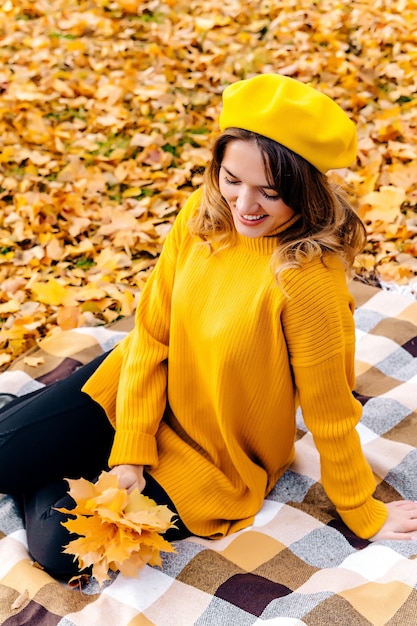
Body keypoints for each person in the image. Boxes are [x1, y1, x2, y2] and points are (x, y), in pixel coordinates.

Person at [1, 73, 416, 580]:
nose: (245, 205)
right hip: (138, 386)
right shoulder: (201, 217)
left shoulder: (308, 282)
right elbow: (152, 334)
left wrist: (362, 510)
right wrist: (130, 452)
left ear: (306, 191)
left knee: (56, 547)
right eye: (232, 179)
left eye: (270, 191)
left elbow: (331, 413)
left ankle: (56, 446)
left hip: (213, 457)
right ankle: (59, 442)